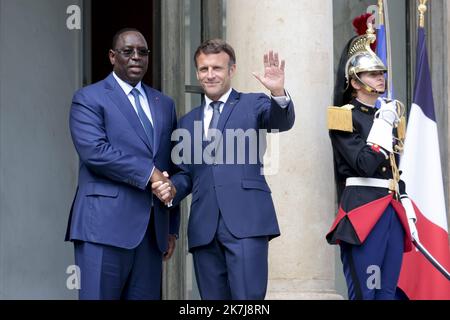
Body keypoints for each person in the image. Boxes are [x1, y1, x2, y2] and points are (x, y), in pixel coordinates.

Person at [153, 39, 295, 300]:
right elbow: (185, 174)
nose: (210, 75)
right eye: (204, 69)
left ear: (232, 70)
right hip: (204, 229)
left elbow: (280, 121)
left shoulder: (254, 104)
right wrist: (171, 187)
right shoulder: (187, 121)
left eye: (217, 68)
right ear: (197, 73)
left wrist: (278, 94)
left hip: (247, 223)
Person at [65, 28, 179, 300]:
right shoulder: (89, 98)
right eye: (128, 51)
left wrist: (170, 226)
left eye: (143, 52)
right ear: (112, 57)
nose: (136, 57)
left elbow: (171, 166)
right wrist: (150, 173)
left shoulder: (164, 103)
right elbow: (95, 152)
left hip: (151, 234)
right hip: (103, 228)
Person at [326, 23, 418, 300]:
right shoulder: (344, 116)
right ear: (355, 82)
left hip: (390, 210)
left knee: (386, 292)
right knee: (367, 292)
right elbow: (364, 164)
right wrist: (383, 122)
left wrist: (408, 209)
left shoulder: (386, 116)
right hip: (364, 210)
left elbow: (393, 170)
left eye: (381, 73)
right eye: (373, 74)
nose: (380, 78)